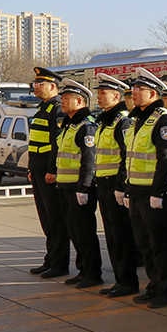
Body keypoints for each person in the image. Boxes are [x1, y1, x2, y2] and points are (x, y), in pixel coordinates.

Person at [124, 68, 167, 308]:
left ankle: (165, 291)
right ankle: (153, 285)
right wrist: (128, 188)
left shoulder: (163, 119)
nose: (134, 93)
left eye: (140, 89)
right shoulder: (137, 119)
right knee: (144, 244)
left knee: (160, 244)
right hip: (137, 191)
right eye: (134, 89)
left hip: (153, 193)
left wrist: (158, 191)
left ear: (153, 93)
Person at [90, 74, 139, 297]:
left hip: (114, 186)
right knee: (111, 235)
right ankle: (120, 280)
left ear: (116, 96)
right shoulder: (105, 121)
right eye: (99, 93)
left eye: (103, 94)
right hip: (103, 184)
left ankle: (127, 282)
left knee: (121, 235)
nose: (99, 98)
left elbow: (127, 156)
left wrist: (121, 186)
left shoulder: (122, 121)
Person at [53, 79, 103, 288]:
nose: (62, 102)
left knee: (84, 232)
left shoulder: (86, 126)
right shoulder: (69, 124)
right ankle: (83, 270)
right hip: (65, 186)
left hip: (79, 188)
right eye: (62, 98)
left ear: (80, 101)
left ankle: (92, 273)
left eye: (67, 98)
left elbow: (89, 160)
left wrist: (84, 187)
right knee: (74, 231)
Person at [26, 66, 70, 279]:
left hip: (48, 172)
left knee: (55, 219)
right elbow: (35, 142)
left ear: (53, 86)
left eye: (40, 83)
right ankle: (50, 259)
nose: (35, 87)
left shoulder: (57, 108)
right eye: (35, 83)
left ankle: (59, 263)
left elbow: (56, 143)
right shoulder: (42, 108)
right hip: (38, 170)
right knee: (46, 218)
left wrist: (53, 170)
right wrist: (31, 168)